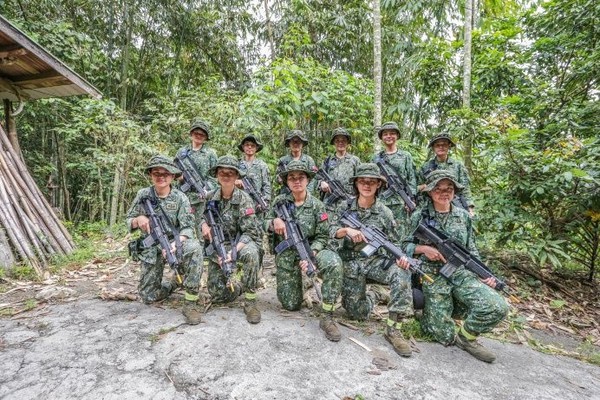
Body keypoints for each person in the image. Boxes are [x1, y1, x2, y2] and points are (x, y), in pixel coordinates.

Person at [402, 170, 508, 363]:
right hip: (431, 276)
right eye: (438, 189)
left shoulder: (463, 217)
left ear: (455, 192)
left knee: (497, 307)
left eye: (449, 188)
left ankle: (467, 338)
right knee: (440, 334)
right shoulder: (419, 216)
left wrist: (483, 274)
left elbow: (471, 249)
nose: (444, 193)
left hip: (460, 273)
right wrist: (424, 248)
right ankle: (429, 312)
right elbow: (402, 245)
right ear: (430, 192)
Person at [329, 163, 414, 357]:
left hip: (375, 261)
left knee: (402, 272)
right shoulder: (344, 206)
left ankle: (393, 329)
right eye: (362, 181)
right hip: (350, 263)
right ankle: (375, 294)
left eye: (372, 182)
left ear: (379, 185)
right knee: (357, 314)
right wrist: (346, 231)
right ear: (356, 184)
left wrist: (399, 259)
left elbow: (395, 243)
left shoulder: (385, 212)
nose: (367, 185)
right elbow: (329, 230)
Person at [267, 160, 343, 342]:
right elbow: (263, 221)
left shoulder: (317, 205)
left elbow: (324, 236)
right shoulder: (279, 202)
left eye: (301, 177)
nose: (296, 181)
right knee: (291, 304)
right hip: (287, 254)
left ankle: (327, 314)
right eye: (292, 178)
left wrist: (312, 255)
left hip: (311, 251)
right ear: (286, 182)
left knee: (333, 262)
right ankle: (302, 283)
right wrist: (273, 222)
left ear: (308, 180)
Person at [126, 155, 202, 325]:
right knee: (148, 296)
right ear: (151, 175)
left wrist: (177, 242)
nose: (161, 177)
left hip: (174, 243)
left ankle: (191, 302)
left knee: (195, 248)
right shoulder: (143, 194)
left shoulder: (180, 197)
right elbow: (128, 219)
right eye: (156, 173)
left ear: (172, 176)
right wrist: (137, 219)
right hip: (152, 247)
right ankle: (173, 283)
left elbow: (188, 227)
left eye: (165, 173)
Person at [200, 155, 262, 324]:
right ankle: (240, 287)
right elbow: (198, 217)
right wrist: (203, 225)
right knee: (218, 295)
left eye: (230, 173)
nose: (226, 176)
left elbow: (251, 232)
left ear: (236, 176)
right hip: (218, 244)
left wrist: (233, 252)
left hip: (241, 242)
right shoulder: (210, 197)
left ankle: (250, 301)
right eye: (222, 172)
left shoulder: (244, 199)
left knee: (251, 253)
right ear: (217, 175)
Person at [372, 122, 418, 239]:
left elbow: (412, 179)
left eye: (392, 133)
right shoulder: (376, 158)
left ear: (397, 136)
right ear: (382, 137)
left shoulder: (405, 156)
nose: (389, 136)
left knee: (401, 234)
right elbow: (371, 179)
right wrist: (381, 179)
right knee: (382, 232)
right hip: (382, 201)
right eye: (385, 134)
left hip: (401, 202)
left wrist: (411, 199)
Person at [175, 120, 218, 235]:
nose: (198, 136)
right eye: (196, 133)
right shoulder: (182, 152)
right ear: (191, 134)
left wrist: (206, 189)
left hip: (201, 198)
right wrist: (178, 176)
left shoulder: (210, 154)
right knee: (181, 228)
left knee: (200, 229)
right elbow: (172, 170)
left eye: (202, 135)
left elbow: (214, 177)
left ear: (206, 137)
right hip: (182, 196)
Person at [234, 134, 271, 265]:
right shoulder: (237, 165)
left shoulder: (262, 165)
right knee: (238, 236)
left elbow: (267, 185)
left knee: (258, 237)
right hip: (239, 206)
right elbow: (226, 180)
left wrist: (265, 201)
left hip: (257, 207)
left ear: (256, 148)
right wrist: (236, 182)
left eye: (252, 146)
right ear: (243, 147)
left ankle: (258, 268)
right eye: (247, 145)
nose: (249, 148)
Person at [418, 132, 475, 217]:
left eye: (444, 145)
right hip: (430, 207)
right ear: (433, 147)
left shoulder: (458, 166)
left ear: (449, 146)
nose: (441, 147)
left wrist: (469, 208)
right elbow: (418, 188)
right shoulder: (425, 167)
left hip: (454, 204)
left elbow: (465, 189)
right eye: (437, 145)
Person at [317, 127, 360, 209]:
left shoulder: (355, 160)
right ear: (334, 143)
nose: (340, 143)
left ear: (347, 142)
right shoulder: (327, 161)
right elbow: (318, 178)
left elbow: (360, 180)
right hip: (330, 205)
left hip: (349, 202)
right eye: (337, 141)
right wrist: (321, 183)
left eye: (343, 140)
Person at [274, 130, 318, 195]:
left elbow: (313, 179)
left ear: (302, 144)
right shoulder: (283, 160)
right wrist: (279, 179)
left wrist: (307, 194)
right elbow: (277, 177)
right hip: (286, 195)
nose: (295, 144)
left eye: (298, 142)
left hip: (304, 196)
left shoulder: (309, 160)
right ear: (289, 143)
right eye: (293, 142)